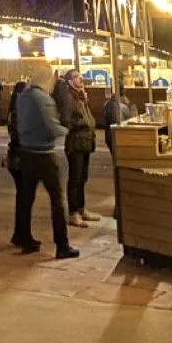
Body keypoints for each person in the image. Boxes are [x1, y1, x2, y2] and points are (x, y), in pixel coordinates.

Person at [13, 82, 79, 259]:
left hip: (26, 151)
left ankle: (24, 238)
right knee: (58, 199)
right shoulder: (42, 97)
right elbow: (51, 127)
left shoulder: (22, 97)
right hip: (44, 154)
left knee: (25, 197)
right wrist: (65, 129)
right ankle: (62, 245)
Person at [58, 71, 101, 227]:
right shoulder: (69, 98)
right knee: (75, 179)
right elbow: (66, 120)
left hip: (86, 142)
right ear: (69, 82)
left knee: (83, 178)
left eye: (80, 76)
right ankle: (73, 213)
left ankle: (82, 209)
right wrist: (82, 124)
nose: (80, 78)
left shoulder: (81, 96)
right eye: (76, 77)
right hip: (76, 143)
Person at [6, 81, 28, 247]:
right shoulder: (18, 113)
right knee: (24, 197)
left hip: (16, 157)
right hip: (20, 158)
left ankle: (21, 233)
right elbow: (20, 136)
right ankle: (21, 234)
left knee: (24, 196)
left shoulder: (15, 111)